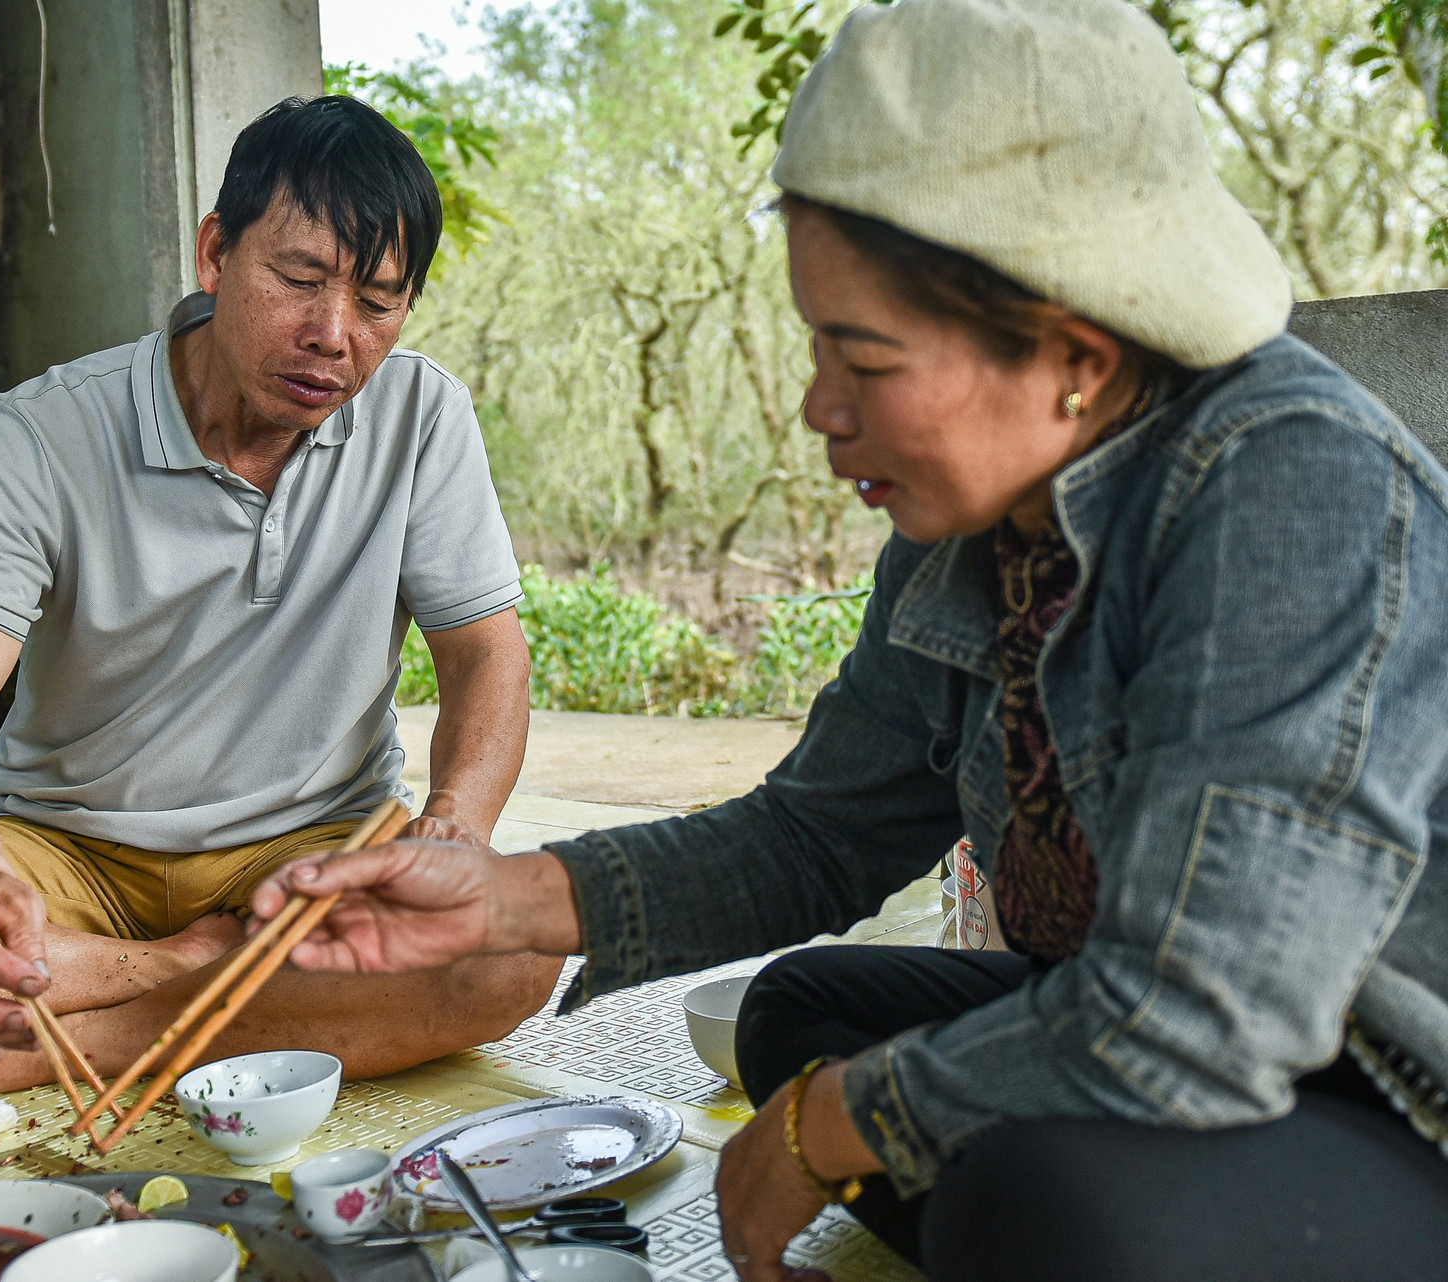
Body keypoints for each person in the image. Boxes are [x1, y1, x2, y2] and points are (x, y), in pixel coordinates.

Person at [247, 2, 1448, 1278]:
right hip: (1126, 1035)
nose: (822, 410)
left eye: (863, 359)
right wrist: (510, 899)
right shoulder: (974, 519)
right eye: (818, 346)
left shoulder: (1291, 487)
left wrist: (844, 1123)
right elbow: (817, 835)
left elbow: (1206, 1007)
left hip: (1370, 1085)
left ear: (1073, 353)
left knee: (1028, 1194)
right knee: (803, 1011)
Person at [0, 95, 562, 1111]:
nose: (334, 336)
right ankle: (186, 974)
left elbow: (487, 654)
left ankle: (54, 1040)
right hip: (65, 861)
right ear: (216, 253)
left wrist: (454, 827)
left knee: (517, 946)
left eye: (378, 303)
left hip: (313, 863)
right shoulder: (36, 436)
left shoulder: (421, 416)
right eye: (298, 280)